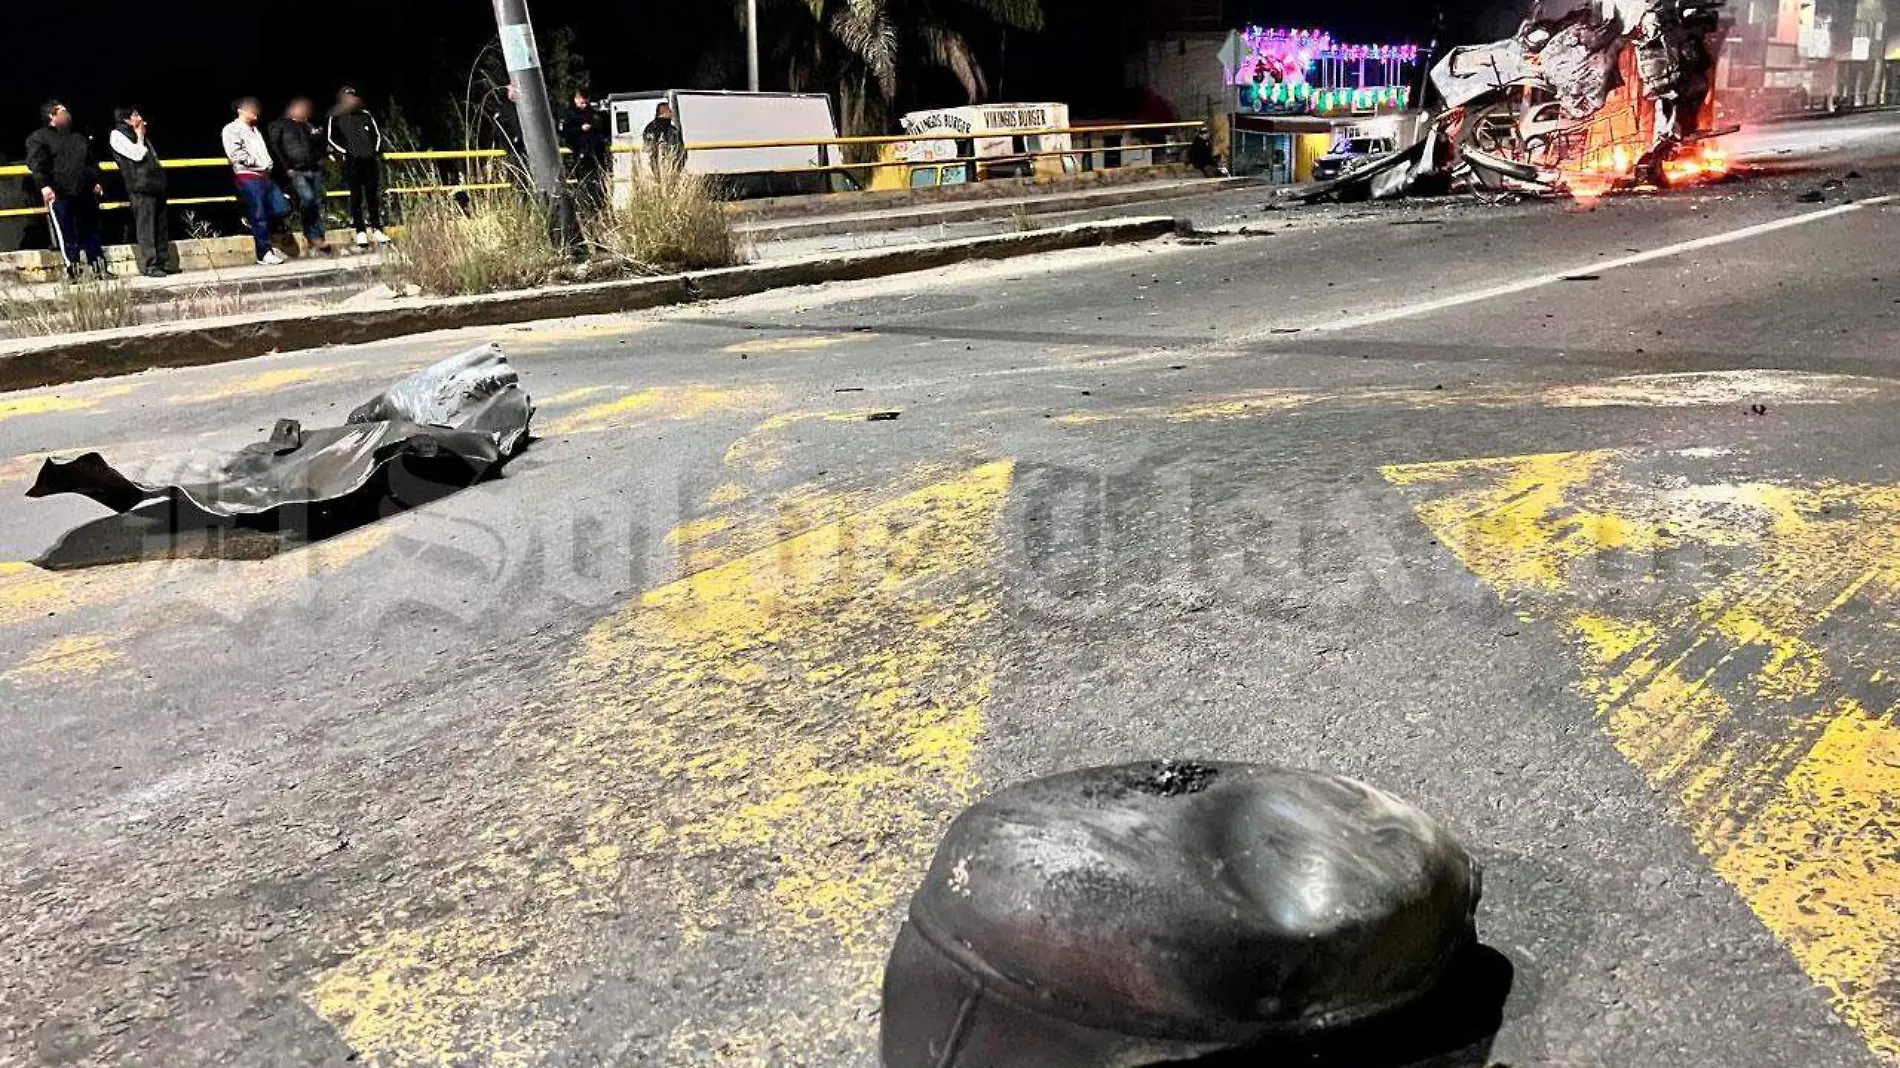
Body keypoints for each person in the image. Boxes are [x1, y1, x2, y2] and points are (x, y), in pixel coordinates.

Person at [24, 101, 106, 278]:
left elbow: (91, 161)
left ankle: (99, 268)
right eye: (62, 111)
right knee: (67, 233)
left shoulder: (78, 136)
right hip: (59, 192)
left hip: (85, 190)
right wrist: (45, 186)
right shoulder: (39, 137)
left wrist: (96, 181)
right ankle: (73, 271)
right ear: (51, 116)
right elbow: (37, 164)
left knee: (92, 231)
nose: (67, 114)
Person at [108, 108, 179, 277]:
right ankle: (151, 264)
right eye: (136, 115)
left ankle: (164, 261)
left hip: (156, 185)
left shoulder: (142, 134)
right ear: (126, 119)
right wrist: (140, 136)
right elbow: (137, 155)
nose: (140, 118)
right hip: (140, 187)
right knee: (146, 228)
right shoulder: (117, 135)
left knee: (161, 226)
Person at [222, 97, 290, 266]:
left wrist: (268, 164)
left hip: (264, 176)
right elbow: (235, 154)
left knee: (282, 208)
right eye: (251, 108)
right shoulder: (232, 129)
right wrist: (256, 163)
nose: (256, 111)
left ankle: (250, 219)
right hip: (248, 175)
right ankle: (264, 252)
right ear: (241, 110)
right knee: (260, 214)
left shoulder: (255, 130)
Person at [327, 86, 389, 248]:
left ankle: (377, 228)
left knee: (372, 196)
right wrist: (346, 152)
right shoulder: (336, 117)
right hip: (352, 162)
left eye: (352, 96)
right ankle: (360, 231)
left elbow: (377, 135)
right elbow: (331, 138)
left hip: (369, 161)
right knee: (356, 197)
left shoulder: (365, 115)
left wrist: (373, 151)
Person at [268, 97, 331, 252]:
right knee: (308, 200)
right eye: (301, 108)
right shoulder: (280, 125)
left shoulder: (307, 125)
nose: (305, 111)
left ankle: (317, 235)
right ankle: (312, 234)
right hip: (297, 170)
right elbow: (275, 147)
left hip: (313, 168)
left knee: (316, 201)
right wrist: (287, 167)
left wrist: (317, 138)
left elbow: (321, 146)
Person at [561, 88, 610, 201]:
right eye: (582, 102)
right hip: (581, 153)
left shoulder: (593, 114)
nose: (584, 105)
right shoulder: (570, 115)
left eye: (586, 102)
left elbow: (603, 129)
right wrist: (580, 129)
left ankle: (600, 203)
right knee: (585, 183)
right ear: (576, 100)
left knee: (599, 182)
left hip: (596, 153)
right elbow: (566, 133)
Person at [642, 101, 685, 176]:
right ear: (663, 112)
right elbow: (680, 151)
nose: (671, 113)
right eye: (669, 111)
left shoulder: (649, 128)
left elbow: (647, 150)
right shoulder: (670, 130)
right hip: (666, 170)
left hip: (660, 170)